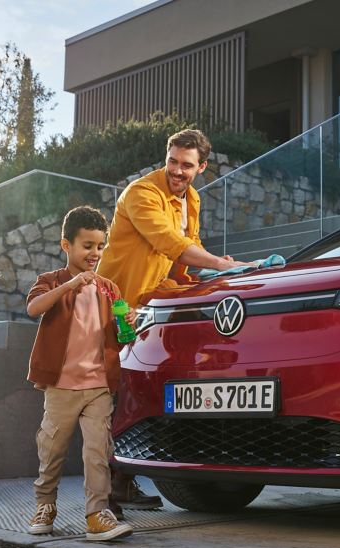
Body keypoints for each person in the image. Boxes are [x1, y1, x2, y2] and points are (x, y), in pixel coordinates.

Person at [97, 129, 248, 511]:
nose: (177, 172)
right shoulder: (141, 194)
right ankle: (101, 492)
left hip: (152, 305)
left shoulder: (191, 198)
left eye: (186, 165)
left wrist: (215, 273)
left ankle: (121, 482)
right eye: (172, 162)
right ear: (166, 157)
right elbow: (168, 241)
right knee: (108, 394)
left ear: (201, 167)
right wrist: (215, 262)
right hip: (114, 306)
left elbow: (183, 256)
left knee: (132, 391)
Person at [25, 206, 133, 541]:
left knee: (98, 450)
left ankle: (97, 514)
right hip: (61, 386)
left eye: (100, 247)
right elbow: (34, 308)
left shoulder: (108, 289)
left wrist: (128, 324)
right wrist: (70, 284)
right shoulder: (52, 281)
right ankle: (45, 505)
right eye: (87, 246)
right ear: (66, 245)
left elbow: (115, 336)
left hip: (99, 384)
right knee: (52, 449)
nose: (94, 254)